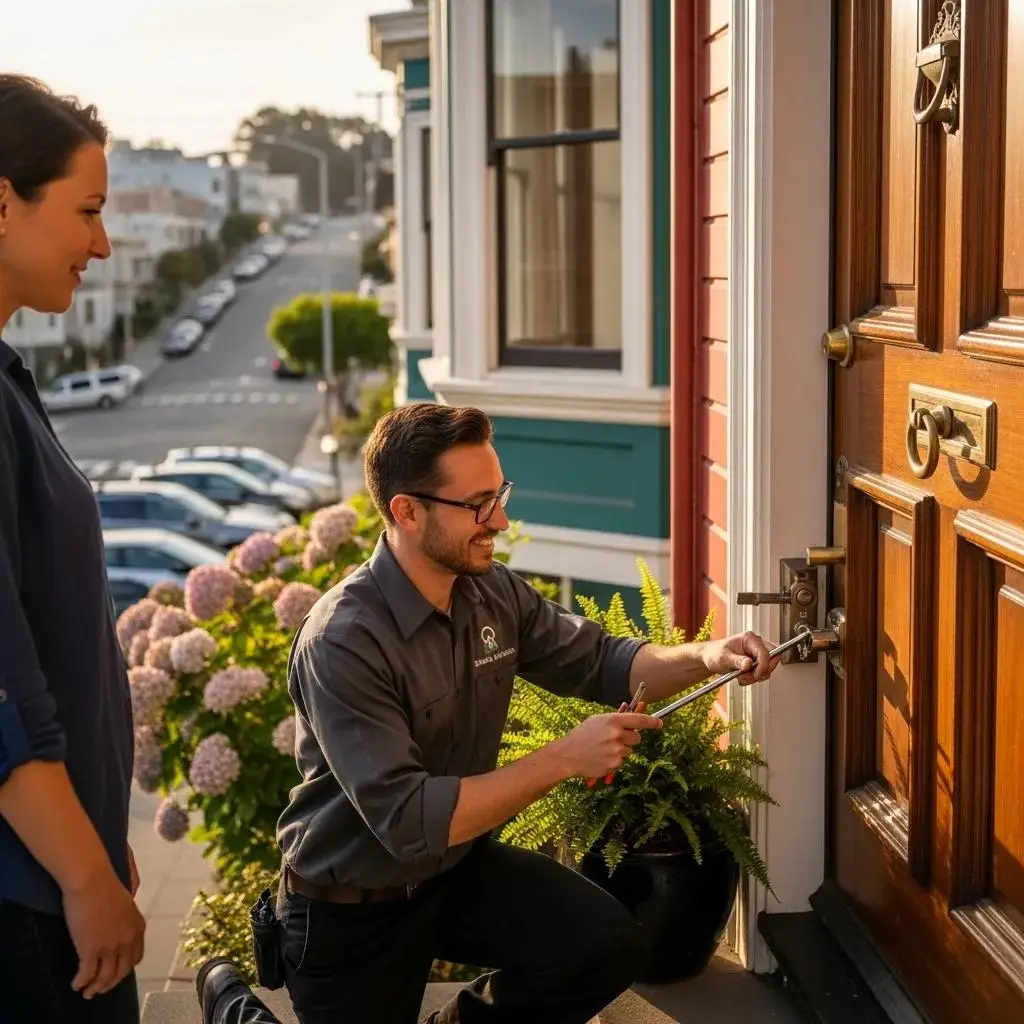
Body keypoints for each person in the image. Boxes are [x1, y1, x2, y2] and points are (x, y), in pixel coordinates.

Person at [197, 403, 779, 1024]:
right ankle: (231, 1001)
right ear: (407, 511)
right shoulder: (343, 639)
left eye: (498, 494)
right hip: (352, 907)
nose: (499, 519)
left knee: (608, 944)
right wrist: (563, 758)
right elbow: (409, 820)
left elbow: (606, 661)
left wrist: (710, 656)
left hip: (455, 877)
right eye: (477, 504)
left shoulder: (491, 592)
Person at [0, 75, 145, 1021]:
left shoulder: (10, 376)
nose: (101, 243)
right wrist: (87, 876)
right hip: (27, 904)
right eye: (86, 211)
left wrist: (103, 839)